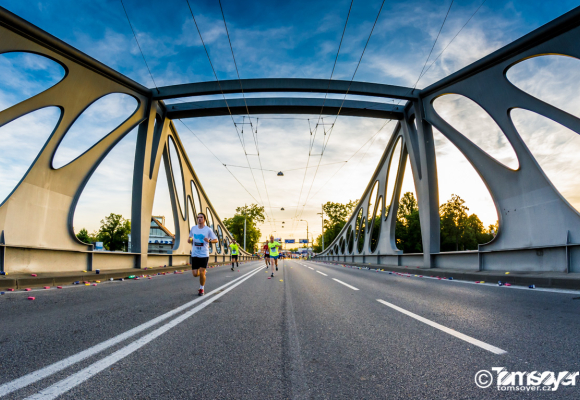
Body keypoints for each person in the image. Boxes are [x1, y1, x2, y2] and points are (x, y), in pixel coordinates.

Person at [188, 213, 218, 296]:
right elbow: (190, 237)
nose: (199, 219)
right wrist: (189, 239)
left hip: (204, 254)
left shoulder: (208, 229)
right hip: (194, 253)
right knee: (195, 274)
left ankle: (201, 289)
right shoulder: (193, 228)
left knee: (201, 272)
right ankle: (202, 273)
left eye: (201, 217)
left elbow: (216, 240)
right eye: (198, 217)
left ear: (204, 219)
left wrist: (209, 241)